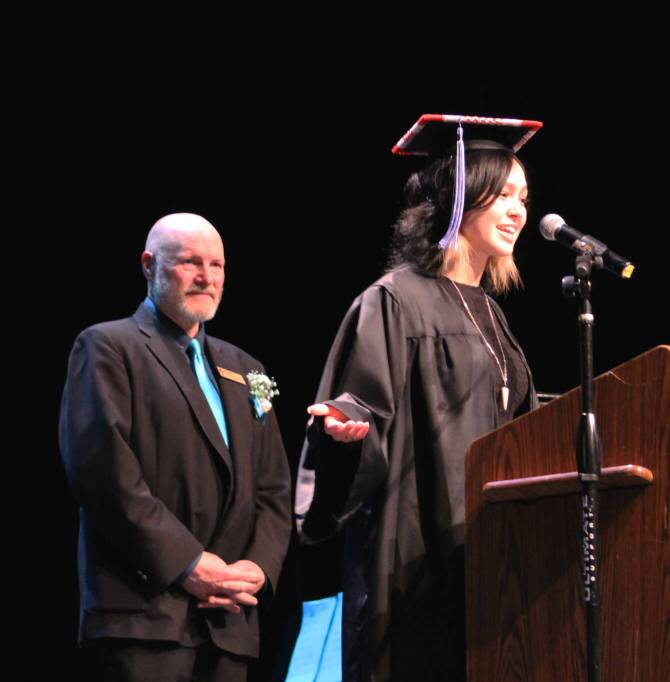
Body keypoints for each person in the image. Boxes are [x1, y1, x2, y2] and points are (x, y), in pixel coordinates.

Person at [294, 115, 542, 681]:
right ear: (460, 195)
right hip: (413, 561)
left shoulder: (492, 316)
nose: (518, 211)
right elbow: (359, 409)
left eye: (523, 197)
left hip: (487, 559)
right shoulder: (393, 301)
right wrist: (344, 432)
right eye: (501, 193)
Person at [59, 213, 292, 682]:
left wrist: (256, 569)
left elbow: (273, 491)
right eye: (190, 262)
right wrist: (187, 563)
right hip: (145, 617)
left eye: (217, 265)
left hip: (229, 622)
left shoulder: (244, 367)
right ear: (149, 265)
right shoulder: (109, 347)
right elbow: (104, 475)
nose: (207, 277)